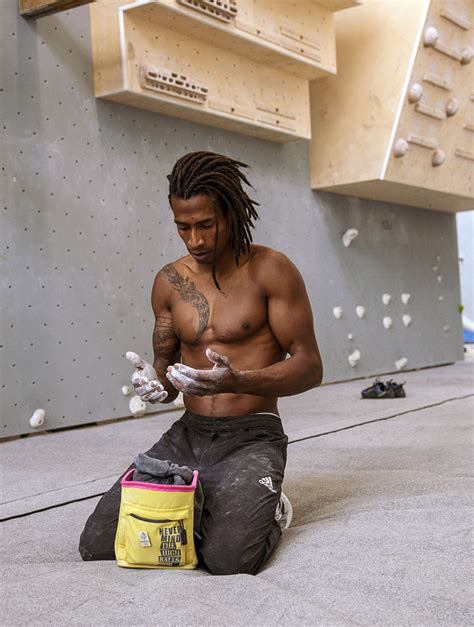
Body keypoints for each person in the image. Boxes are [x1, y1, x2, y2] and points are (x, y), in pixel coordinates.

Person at [79, 151, 323, 575]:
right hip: (187, 436)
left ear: (229, 212)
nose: (194, 239)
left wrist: (237, 380)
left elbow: (310, 366)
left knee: (228, 561)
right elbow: (167, 372)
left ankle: (270, 509)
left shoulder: (271, 271)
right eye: (183, 226)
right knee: (98, 544)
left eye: (206, 225)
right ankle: (209, 495)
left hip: (252, 436)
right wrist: (153, 383)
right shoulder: (169, 282)